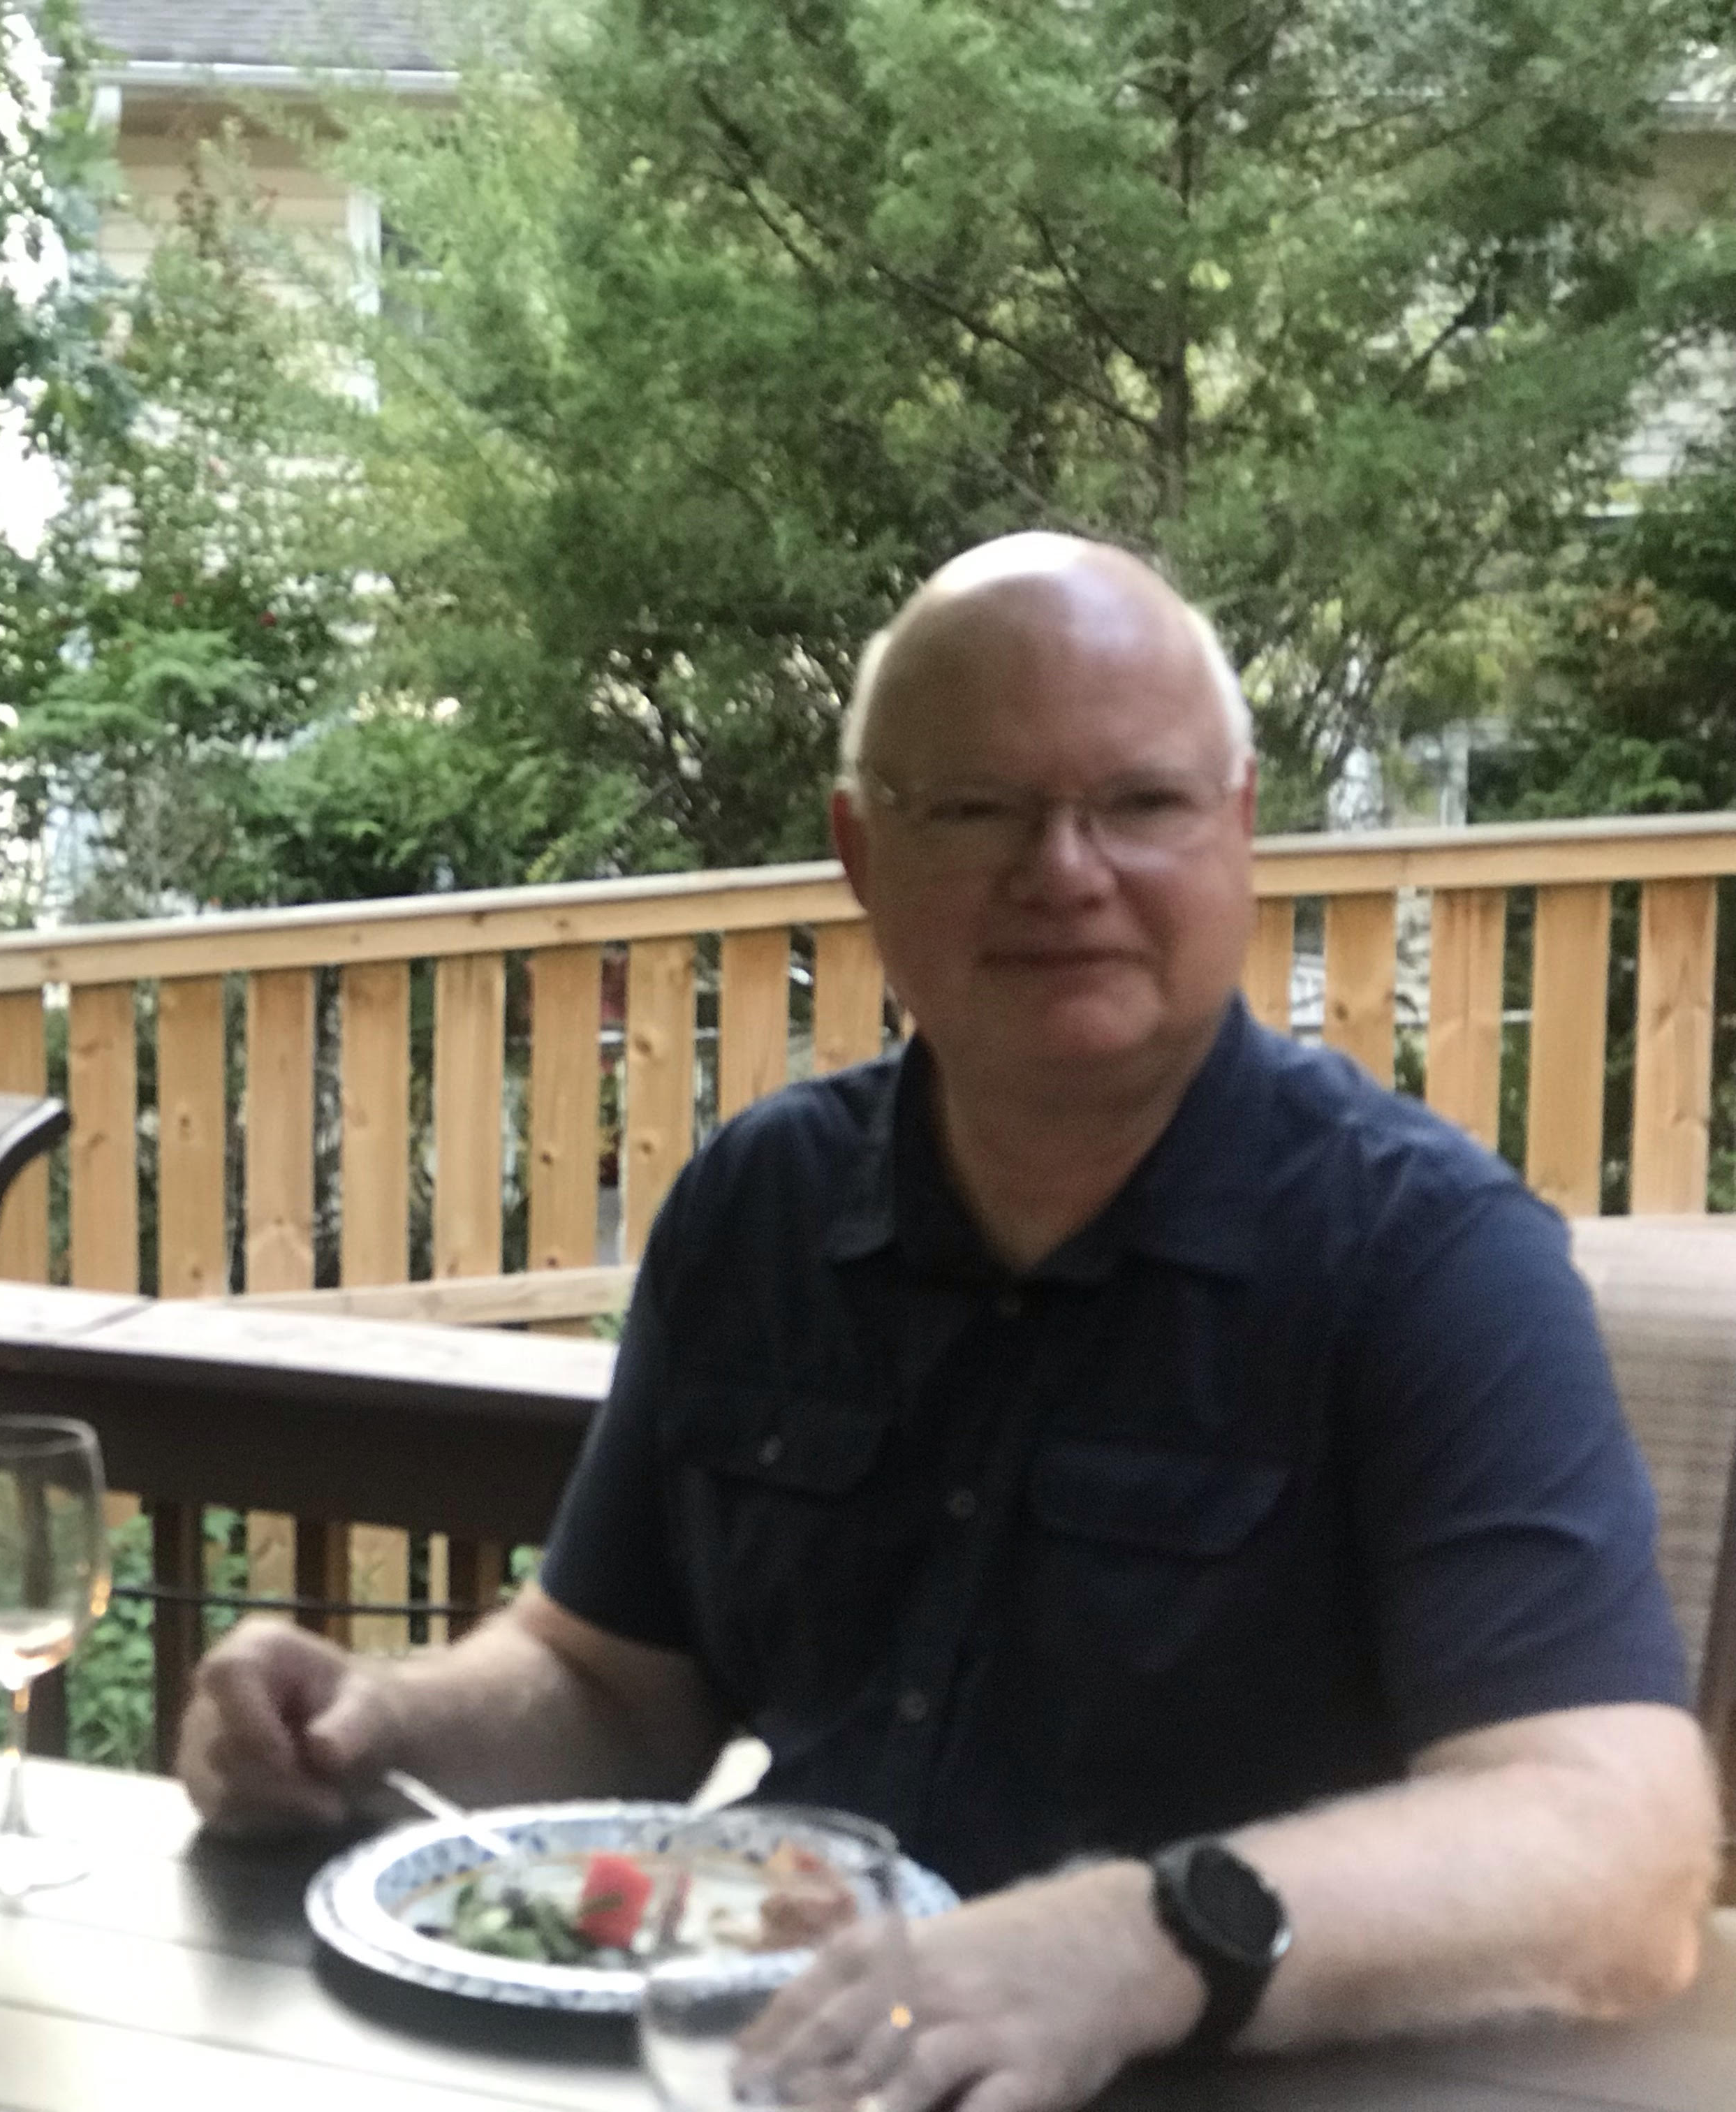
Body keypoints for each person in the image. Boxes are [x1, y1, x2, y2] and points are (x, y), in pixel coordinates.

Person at [179, 536, 1721, 2107]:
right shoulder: (761, 1205)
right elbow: (611, 1688)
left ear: (1239, 827)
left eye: (1142, 803)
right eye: (979, 809)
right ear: (861, 850)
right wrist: (378, 1723)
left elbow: (1620, 1842)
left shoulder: (1427, 1258)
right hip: (796, 2070)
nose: (1065, 871)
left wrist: (1140, 1944)